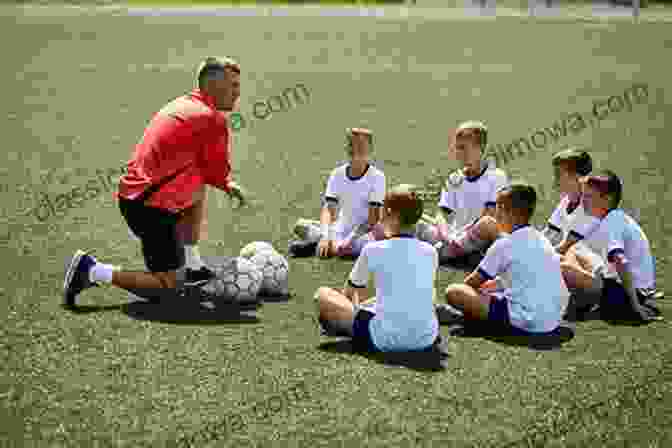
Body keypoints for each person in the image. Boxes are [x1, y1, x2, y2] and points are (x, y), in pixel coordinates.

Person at [63, 56, 247, 308]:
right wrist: (226, 184)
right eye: (233, 85)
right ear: (214, 86)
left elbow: (206, 172)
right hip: (150, 208)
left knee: (197, 180)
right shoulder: (211, 119)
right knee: (169, 288)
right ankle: (93, 270)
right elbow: (216, 171)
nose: (238, 92)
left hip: (137, 196)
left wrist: (223, 183)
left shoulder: (184, 104)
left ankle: (192, 264)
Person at [315, 184, 443, 353]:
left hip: (382, 338)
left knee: (322, 295)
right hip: (426, 338)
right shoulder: (431, 252)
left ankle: (347, 327)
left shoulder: (373, 249)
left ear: (389, 214)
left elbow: (348, 294)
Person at [441, 182, 570, 336]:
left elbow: (471, 283)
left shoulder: (503, 245)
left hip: (528, 320)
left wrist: (471, 297)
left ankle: (469, 319)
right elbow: (520, 277)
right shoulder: (541, 239)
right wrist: (489, 288)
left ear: (505, 212)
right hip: (553, 318)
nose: (495, 214)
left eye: (498, 208)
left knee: (454, 292)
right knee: (490, 291)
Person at [562, 171, 662, 321]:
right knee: (574, 251)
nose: (583, 201)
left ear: (606, 199)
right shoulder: (613, 217)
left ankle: (577, 300)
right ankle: (581, 298)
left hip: (625, 295)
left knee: (563, 268)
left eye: (588, 197)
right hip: (627, 288)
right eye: (583, 195)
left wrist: (635, 307)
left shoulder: (612, 222)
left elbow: (621, 261)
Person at [416, 121, 507, 264]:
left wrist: (459, 237)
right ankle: (455, 253)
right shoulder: (454, 178)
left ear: (480, 148)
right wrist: (447, 236)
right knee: (414, 217)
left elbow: (489, 214)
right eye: (457, 148)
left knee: (487, 223)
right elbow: (441, 214)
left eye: (464, 148)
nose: (459, 153)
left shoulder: (496, 176)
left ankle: (439, 253)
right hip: (453, 238)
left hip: (474, 235)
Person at [289, 128, 386, 259]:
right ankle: (324, 243)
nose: (355, 149)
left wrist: (350, 239)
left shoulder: (377, 177)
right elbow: (329, 209)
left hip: (365, 233)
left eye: (361, 146)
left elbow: (373, 219)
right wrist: (325, 235)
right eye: (351, 145)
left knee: (346, 249)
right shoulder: (337, 174)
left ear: (370, 150)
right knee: (300, 225)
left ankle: (316, 247)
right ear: (347, 148)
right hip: (340, 229)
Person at [541, 148, 605, 311]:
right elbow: (548, 235)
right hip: (577, 265)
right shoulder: (565, 202)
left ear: (577, 178)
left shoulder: (591, 207)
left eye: (559, 174)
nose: (555, 180)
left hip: (598, 275)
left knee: (554, 263)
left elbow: (564, 247)